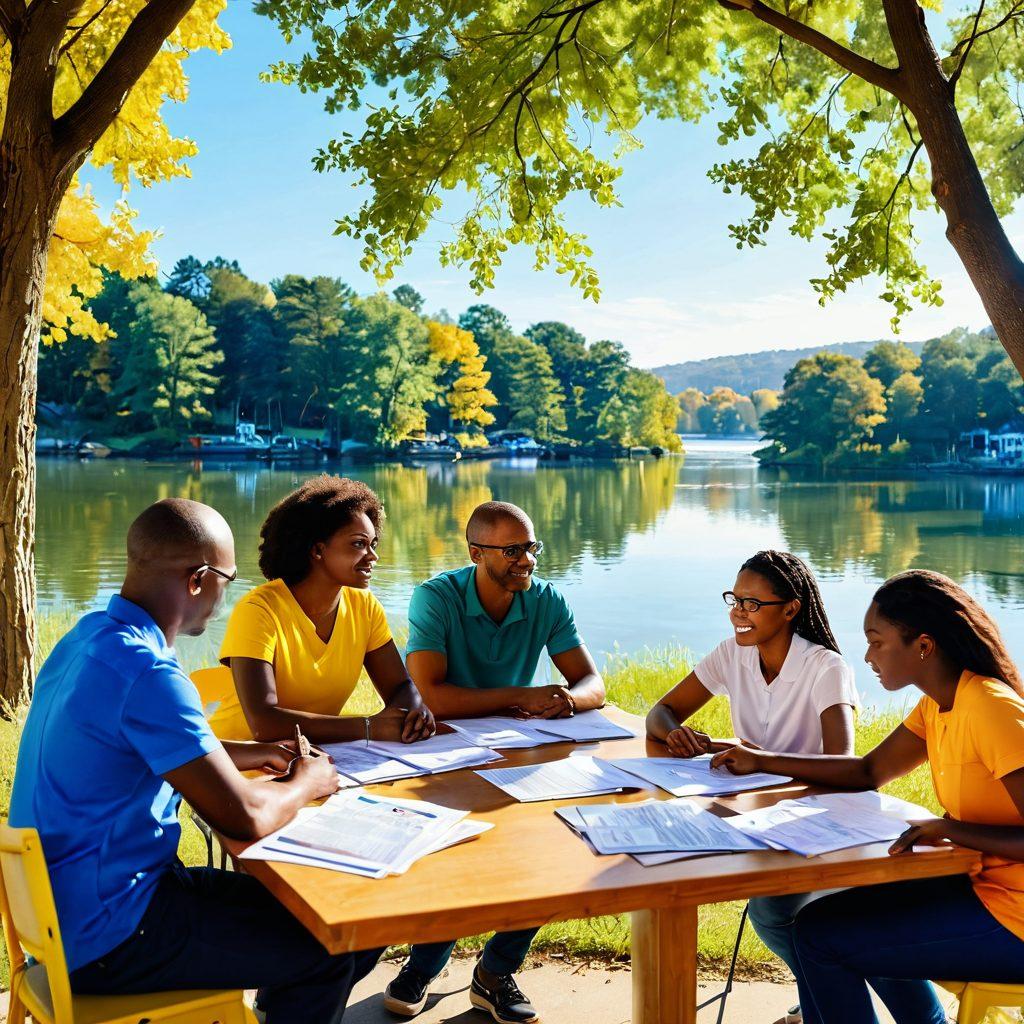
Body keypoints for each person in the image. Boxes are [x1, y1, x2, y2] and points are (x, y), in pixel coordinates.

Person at [8, 498, 382, 1023]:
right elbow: (245, 816)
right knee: (332, 944)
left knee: (343, 918)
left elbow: (149, 746)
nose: (225, 597)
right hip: (114, 932)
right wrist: (308, 780)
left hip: (74, 908)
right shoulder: (149, 672)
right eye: (228, 580)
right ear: (199, 580)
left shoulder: (90, 638)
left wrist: (260, 752)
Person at [713, 569, 1024, 1024]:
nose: (867, 655)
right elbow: (868, 771)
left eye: (877, 642)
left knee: (824, 940)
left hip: (1014, 918)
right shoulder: (939, 704)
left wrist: (950, 829)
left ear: (923, 645)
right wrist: (761, 760)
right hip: (982, 889)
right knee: (819, 924)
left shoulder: (991, 708)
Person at [383, 500, 605, 1023]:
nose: (527, 560)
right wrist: (521, 696)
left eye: (531, 547)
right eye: (512, 551)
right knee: (452, 856)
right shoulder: (436, 597)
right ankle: (424, 964)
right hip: (442, 749)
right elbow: (431, 697)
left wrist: (569, 700)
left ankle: (495, 973)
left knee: (546, 848)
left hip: (517, 747)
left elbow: (592, 683)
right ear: (476, 553)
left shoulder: (546, 599)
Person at [646, 550, 871, 1024]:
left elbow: (844, 765)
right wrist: (674, 732)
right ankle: (824, 994)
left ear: (790, 609)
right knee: (735, 896)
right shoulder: (733, 653)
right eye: (735, 600)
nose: (738, 613)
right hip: (756, 816)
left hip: (818, 820)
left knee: (770, 913)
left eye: (752, 603)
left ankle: (828, 994)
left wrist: (760, 759)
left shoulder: (825, 667)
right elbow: (660, 712)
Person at [209, 475, 435, 745]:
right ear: (317, 550)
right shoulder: (258, 610)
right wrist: (368, 727)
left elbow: (400, 686)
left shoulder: (364, 606)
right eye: (359, 544)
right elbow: (264, 724)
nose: (373, 556)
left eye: (373, 544)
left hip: (311, 755)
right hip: (238, 757)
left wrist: (412, 713)